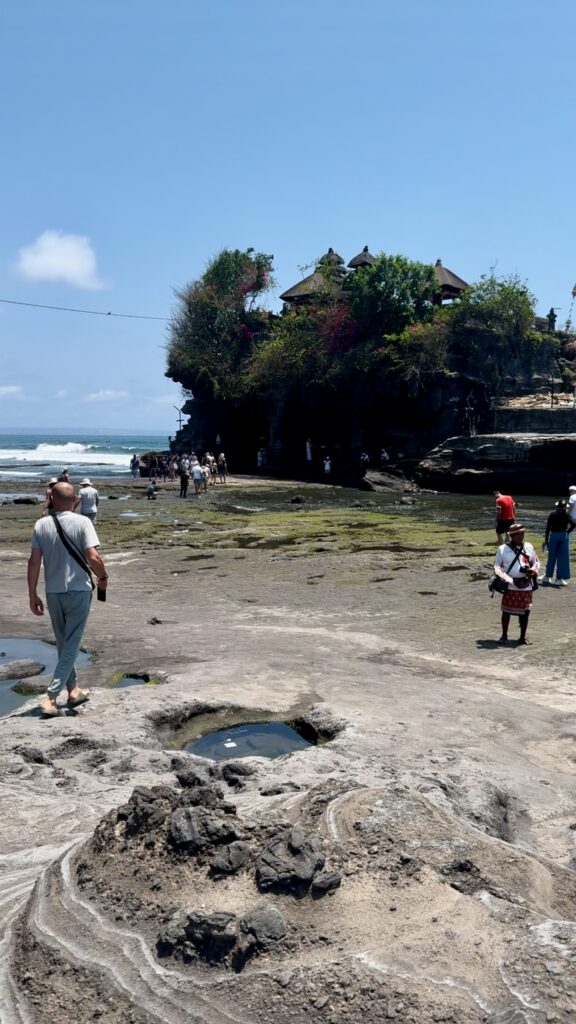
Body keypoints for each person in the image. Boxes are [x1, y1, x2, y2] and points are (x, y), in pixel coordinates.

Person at [27, 482, 108, 717]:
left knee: (64, 642)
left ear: (51, 498)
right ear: (76, 501)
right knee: (71, 643)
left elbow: (34, 562)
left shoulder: (41, 524)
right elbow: (92, 555)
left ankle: (73, 691)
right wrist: (102, 577)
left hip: (53, 592)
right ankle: (51, 697)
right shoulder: (84, 522)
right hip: (79, 590)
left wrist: (32, 594)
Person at [494, 523, 539, 646]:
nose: (520, 536)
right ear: (512, 536)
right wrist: (507, 579)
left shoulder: (529, 547)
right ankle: (504, 636)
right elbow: (497, 567)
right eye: (517, 534)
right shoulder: (502, 549)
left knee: (526, 612)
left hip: (526, 584)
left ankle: (522, 637)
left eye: (522, 534)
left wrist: (533, 571)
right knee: (506, 612)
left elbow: (535, 562)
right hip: (510, 585)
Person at [541, 499, 574, 585]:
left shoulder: (552, 514)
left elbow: (548, 528)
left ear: (557, 506)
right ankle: (559, 579)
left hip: (554, 535)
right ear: (565, 507)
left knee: (551, 556)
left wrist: (546, 540)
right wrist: (568, 531)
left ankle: (547, 577)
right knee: (562, 558)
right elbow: (574, 524)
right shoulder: (566, 515)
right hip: (563, 536)